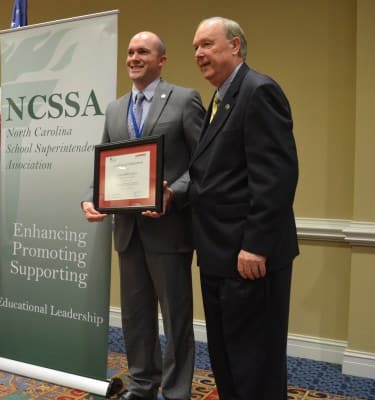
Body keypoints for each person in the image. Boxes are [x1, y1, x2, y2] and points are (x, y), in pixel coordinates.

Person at [82, 31, 205, 400]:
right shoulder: (116, 108)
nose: (134, 57)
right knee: (136, 318)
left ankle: (178, 391)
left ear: (161, 60)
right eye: (131, 52)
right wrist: (91, 198)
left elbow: (205, 164)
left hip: (169, 229)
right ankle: (141, 386)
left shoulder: (185, 100)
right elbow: (104, 170)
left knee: (175, 319)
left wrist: (173, 192)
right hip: (129, 231)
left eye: (143, 52)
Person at [190, 17, 299, 400]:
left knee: (255, 364)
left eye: (207, 44)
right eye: (195, 48)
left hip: (248, 258)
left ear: (235, 46)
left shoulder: (259, 90)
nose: (199, 54)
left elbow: (276, 178)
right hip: (218, 255)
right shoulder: (219, 99)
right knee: (227, 359)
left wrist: (256, 244)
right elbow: (214, 177)